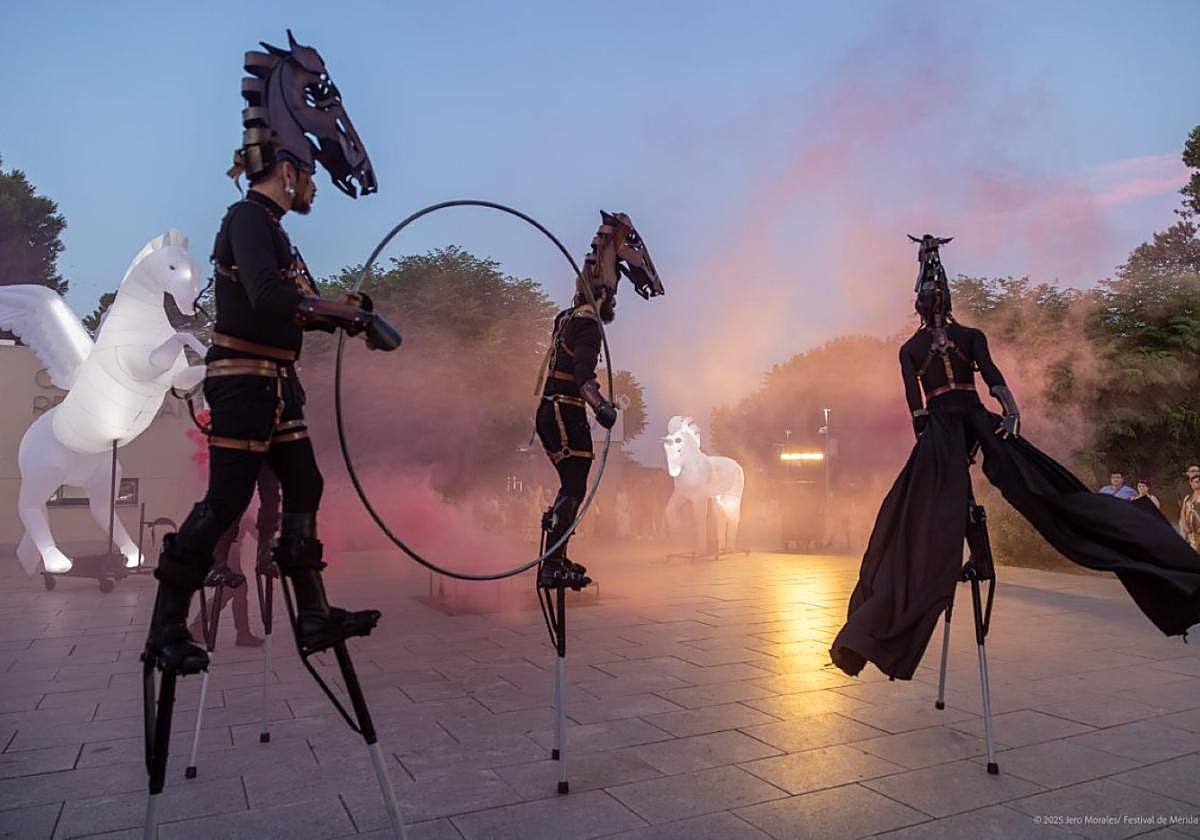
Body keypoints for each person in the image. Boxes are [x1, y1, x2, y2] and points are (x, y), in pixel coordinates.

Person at [829, 234, 1200, 680]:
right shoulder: (942, 342)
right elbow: (954, 394)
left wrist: (990, 421)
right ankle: (974, 559)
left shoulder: (926, 346)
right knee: (942, 509)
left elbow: (939, 399)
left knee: (1015, 496)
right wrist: (998, 417)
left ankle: (979, 557)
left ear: (923, 303)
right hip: (961, 424)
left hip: (954, 424)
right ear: (941, 299)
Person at [145, 31, 401, 675]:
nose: (313, 186)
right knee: (227, 501)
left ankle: (312, 614)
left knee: (306, 483)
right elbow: (266, 297)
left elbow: (302, 304)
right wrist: (341, 313)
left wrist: (353, 317)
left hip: (277, 386)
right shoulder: (248, 221)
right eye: (309, 175)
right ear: (287, 170)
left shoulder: (279, 235)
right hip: (241, 384)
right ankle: (167, 626)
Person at [534, 212, 663, 588]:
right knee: (574, 485)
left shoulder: (566, 318)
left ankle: (554, 555)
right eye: (613, 297)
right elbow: (582, 376)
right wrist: (601, 406)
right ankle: (552, 562)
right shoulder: (587, 324)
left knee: (571, 485)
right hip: (563, 410)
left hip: (552, 410)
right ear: (604, 294)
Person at [187, 465, 280, 647]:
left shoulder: (241, 510)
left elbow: (255, 532)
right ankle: (212, 629)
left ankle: (236, 632)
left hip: (231, 552)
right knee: (234, 589)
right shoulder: (233, 507)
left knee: (235, 590)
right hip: (226, 553)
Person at [1181, 474, 1200, 551]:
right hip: (1191, 532)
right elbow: (1183, 512)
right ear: (1191, 483)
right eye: (1195, 482)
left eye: (1198, 482)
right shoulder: (1187, 498)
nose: (1197, 483)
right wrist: (1185, 526)